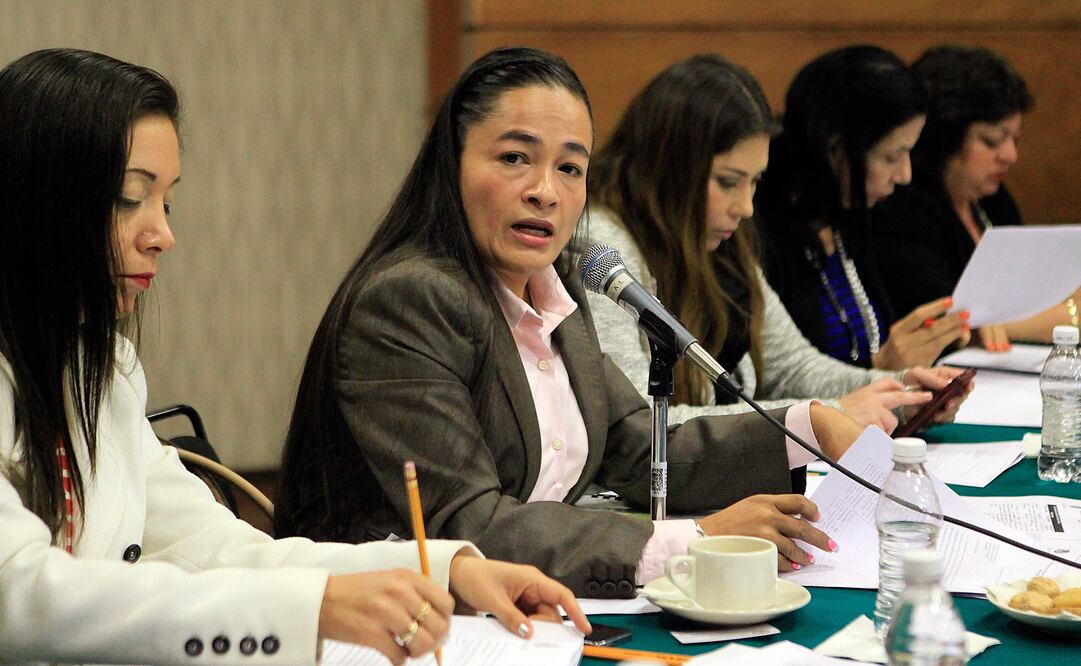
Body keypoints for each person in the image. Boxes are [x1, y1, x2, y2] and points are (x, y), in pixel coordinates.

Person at [0, 48, 590, 666]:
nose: (163, 235)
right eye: (130, 198)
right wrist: (313, 609)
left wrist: (445, 573)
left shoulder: (103, 370)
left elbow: (217, 549)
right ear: (36, 200)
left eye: (165, 203)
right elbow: (16, 591)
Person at [275, 46, 868, 596]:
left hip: (533, 603)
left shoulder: (556, 289)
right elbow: (467, 524)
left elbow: (639, 447)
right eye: (515, 158)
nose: (545, 191)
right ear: (451, 166)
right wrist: (695, 540)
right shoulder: (409, 301)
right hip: (398, 617)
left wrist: (807, 427)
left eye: (570, 168)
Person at [585, 54, 968, 438]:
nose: (746, 207)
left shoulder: (720, 237)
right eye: (728, 182)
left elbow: (790, 368)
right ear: (669, 168)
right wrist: (826, 415)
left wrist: (898, 393)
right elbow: (638, 427)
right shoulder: (603, 249)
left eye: (754, 181)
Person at [756, 45, 971, 370]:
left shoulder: (853, 215)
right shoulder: (759, 232)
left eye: (908, 154)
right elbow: (777, 385)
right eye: (891, 157)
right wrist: (881, 371)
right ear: (835, 149)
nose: (905, 175)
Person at [873, 44, 1079, 350]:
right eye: (992, 140)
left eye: (1015, 139)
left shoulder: (993, 200)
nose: (1010, 155)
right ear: (945, 138)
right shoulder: (900, 211)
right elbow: (947, 326)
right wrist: (1070, 317)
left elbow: (1039, 289)